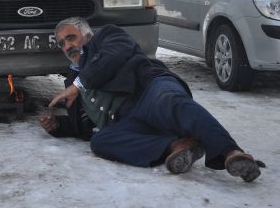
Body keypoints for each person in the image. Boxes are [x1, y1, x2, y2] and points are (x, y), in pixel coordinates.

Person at [39, 17, 262, 182]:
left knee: (170, 102)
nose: (67, 46)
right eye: (62, 44)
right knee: (101, 142)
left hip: (149, 88)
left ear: (87, 36)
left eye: (71, 38)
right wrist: (58, 126)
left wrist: (80, 85)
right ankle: (177, 145)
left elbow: (115, 57)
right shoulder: (72, 78)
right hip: (130, 118)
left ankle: (230, 152)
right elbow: (85, 124)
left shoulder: (108, 36)